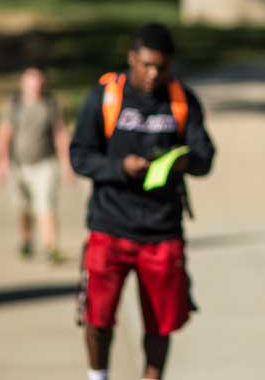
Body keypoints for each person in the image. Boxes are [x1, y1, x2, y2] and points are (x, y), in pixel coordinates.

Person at [69, 23, 215, 380]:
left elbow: (205, 156)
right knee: (98, 318)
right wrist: (121, 167)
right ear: (131, 58)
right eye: (146, 65)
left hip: (162, 230)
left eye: (161, 67)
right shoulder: (105, 97)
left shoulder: (182, 100)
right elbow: (79, 156)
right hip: (109, 227)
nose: (153, 75)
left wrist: (185, 161)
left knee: (160, 324)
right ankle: (97, 374)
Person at [0, 66, 74, 263]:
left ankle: (50, 246)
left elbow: (59, 134)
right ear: (23, 85)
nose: (35, 88)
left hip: (44, 163)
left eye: (38, 83)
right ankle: (26, 240)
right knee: (23, 207)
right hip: (18, 164)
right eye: (31, 84)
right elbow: (4, 134)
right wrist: (1, 162)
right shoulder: (14, 105)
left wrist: (67, 164)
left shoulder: (50, 105)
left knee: (45, 206)